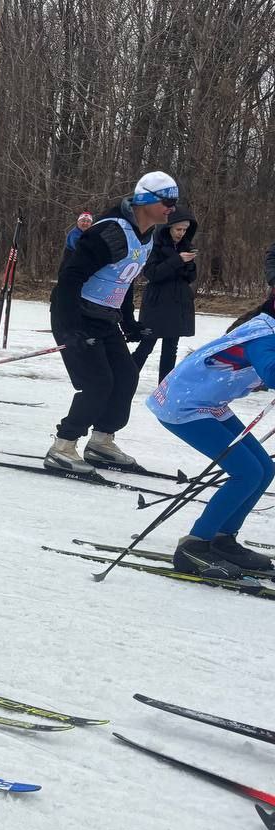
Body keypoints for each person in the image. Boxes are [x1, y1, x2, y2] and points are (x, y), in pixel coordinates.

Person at [45, 171, 177, 473]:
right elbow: (69, 278)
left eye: (174, 201)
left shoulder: (147, 235)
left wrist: (128, 321)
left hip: (105, 317)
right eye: (167, 201)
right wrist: (71, 327)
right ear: (145, 200)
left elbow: (125, 278)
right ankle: (63, 445)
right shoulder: (111, 232)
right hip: (76, 314)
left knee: (126, 377)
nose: (172, 208)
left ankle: (101, 442)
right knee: (98, 383)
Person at [147, 309, 275, 579]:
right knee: (246, 472)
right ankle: (194, 546)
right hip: (184, 407)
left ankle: (222, 539)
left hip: (208, 404)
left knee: (263, 468)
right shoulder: (263, 336)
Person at [131, 206, 196, 384]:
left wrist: (189, 265)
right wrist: (178, 260)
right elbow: (152, 273)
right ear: (169, 228)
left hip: (178, 302)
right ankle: (126, 377)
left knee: (171, 348)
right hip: (157, 303)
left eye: (185, 230)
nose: (181, 233)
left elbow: (190, 278)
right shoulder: (155, 244)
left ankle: (164, 386)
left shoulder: (186, 246)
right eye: (178, 229)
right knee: (147, 344)